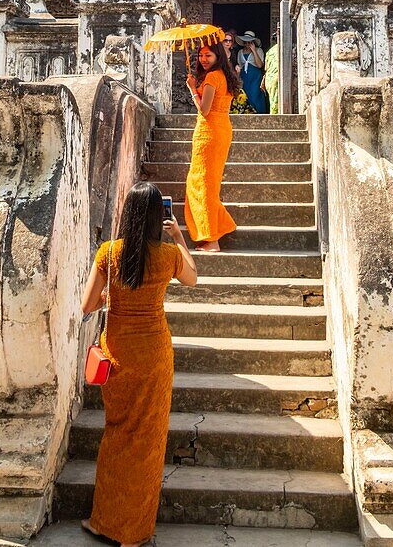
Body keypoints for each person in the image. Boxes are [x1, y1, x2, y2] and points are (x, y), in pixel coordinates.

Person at [80, 181, 197, 547]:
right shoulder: (168, 255)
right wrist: (178, 236)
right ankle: (135, 531)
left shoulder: (109, 254)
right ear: (155, 217)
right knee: (147, 440)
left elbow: (87, 306)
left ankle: (104, 522)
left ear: (127, 213)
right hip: (155, 355)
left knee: (117, 433)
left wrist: (108, 297)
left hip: (118, 355)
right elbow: (193, 278)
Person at [185, 41, 240, 252]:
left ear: (217, 56)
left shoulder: (212, 77)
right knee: (207, 183)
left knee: (201, 184)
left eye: (208, 55)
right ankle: (220, 225)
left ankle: (212, 238)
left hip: (209, 133)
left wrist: (192, 90)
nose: (203, 59)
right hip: (222, 129)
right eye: (200, 55)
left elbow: (204, 110)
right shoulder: (225, 76)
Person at [235, 31, 268, 114]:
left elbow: (260, 65)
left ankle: (259, 114)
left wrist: (254, 51)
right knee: (245, 96)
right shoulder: (240, 52)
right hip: (244, 77)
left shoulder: (259, 50)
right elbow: (240, 65)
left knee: (255, 95)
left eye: (249, 42)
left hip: (255, 77)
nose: (247, 44)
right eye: (245, 42)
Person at [264, 28, 279, 115]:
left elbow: (266, 67)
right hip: (277, 77)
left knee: (273, 101)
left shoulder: (270, 51)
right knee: (276, 101)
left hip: (269, 78)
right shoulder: (284, 48)